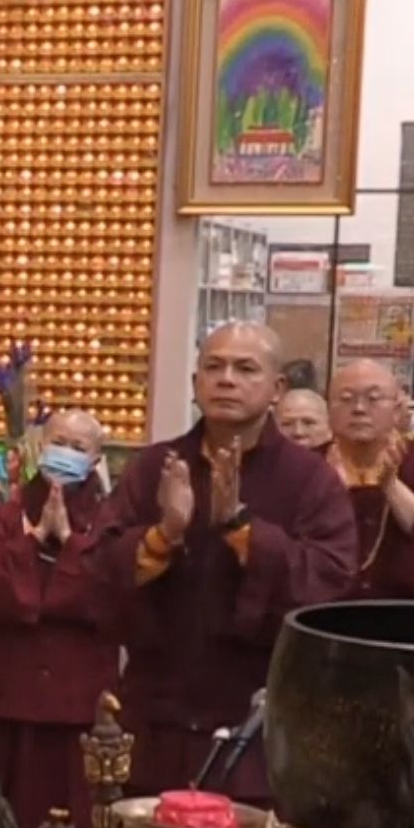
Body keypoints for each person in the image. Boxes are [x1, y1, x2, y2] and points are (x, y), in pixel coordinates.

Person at [87, 323, 356, 799]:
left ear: (276, 389)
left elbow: (329, 583)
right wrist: (164, 534)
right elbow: (98, 568)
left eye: (245, 368)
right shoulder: (155, 467)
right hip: (156, 721)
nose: (226, 379)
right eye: (214, 367)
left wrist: (242, 528)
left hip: (257, 726)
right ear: (196, 383)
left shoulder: (310, 479)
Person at [0, 408, 120, 828]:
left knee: (79, 819)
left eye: (78, 447)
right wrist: (33, 539)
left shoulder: (111, 518)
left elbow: (112, 597)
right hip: (15, 688)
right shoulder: (9, 514)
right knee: (11, 815)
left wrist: (69, 541)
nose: (66, 454)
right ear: (40, 446)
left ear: (96, 459)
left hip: (81, 697)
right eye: (59, 443)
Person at [326, 360, 414, 598]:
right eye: (346, 399)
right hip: (324, 611)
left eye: (373, 398)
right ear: (329, 410)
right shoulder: (310, 466)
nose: (359, 408)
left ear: (397, 410)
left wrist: (391, 487)